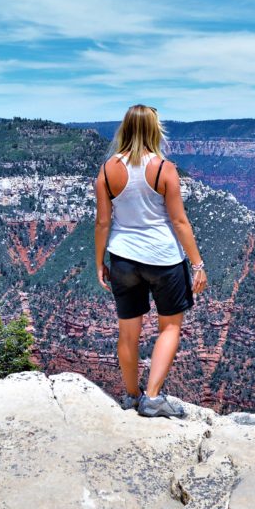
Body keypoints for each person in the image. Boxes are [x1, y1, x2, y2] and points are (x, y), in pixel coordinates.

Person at [94, 104, 207, 418]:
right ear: (154, 130)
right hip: (163, 260)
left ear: (125, 129)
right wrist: (197, 264)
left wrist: (99, 262)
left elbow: (102, 223)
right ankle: (153, 398)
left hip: (123, 259)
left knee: (127, 333)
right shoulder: (163, 169)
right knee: (169, 327)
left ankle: (131, 396)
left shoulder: (106, 171)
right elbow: (180, 221)